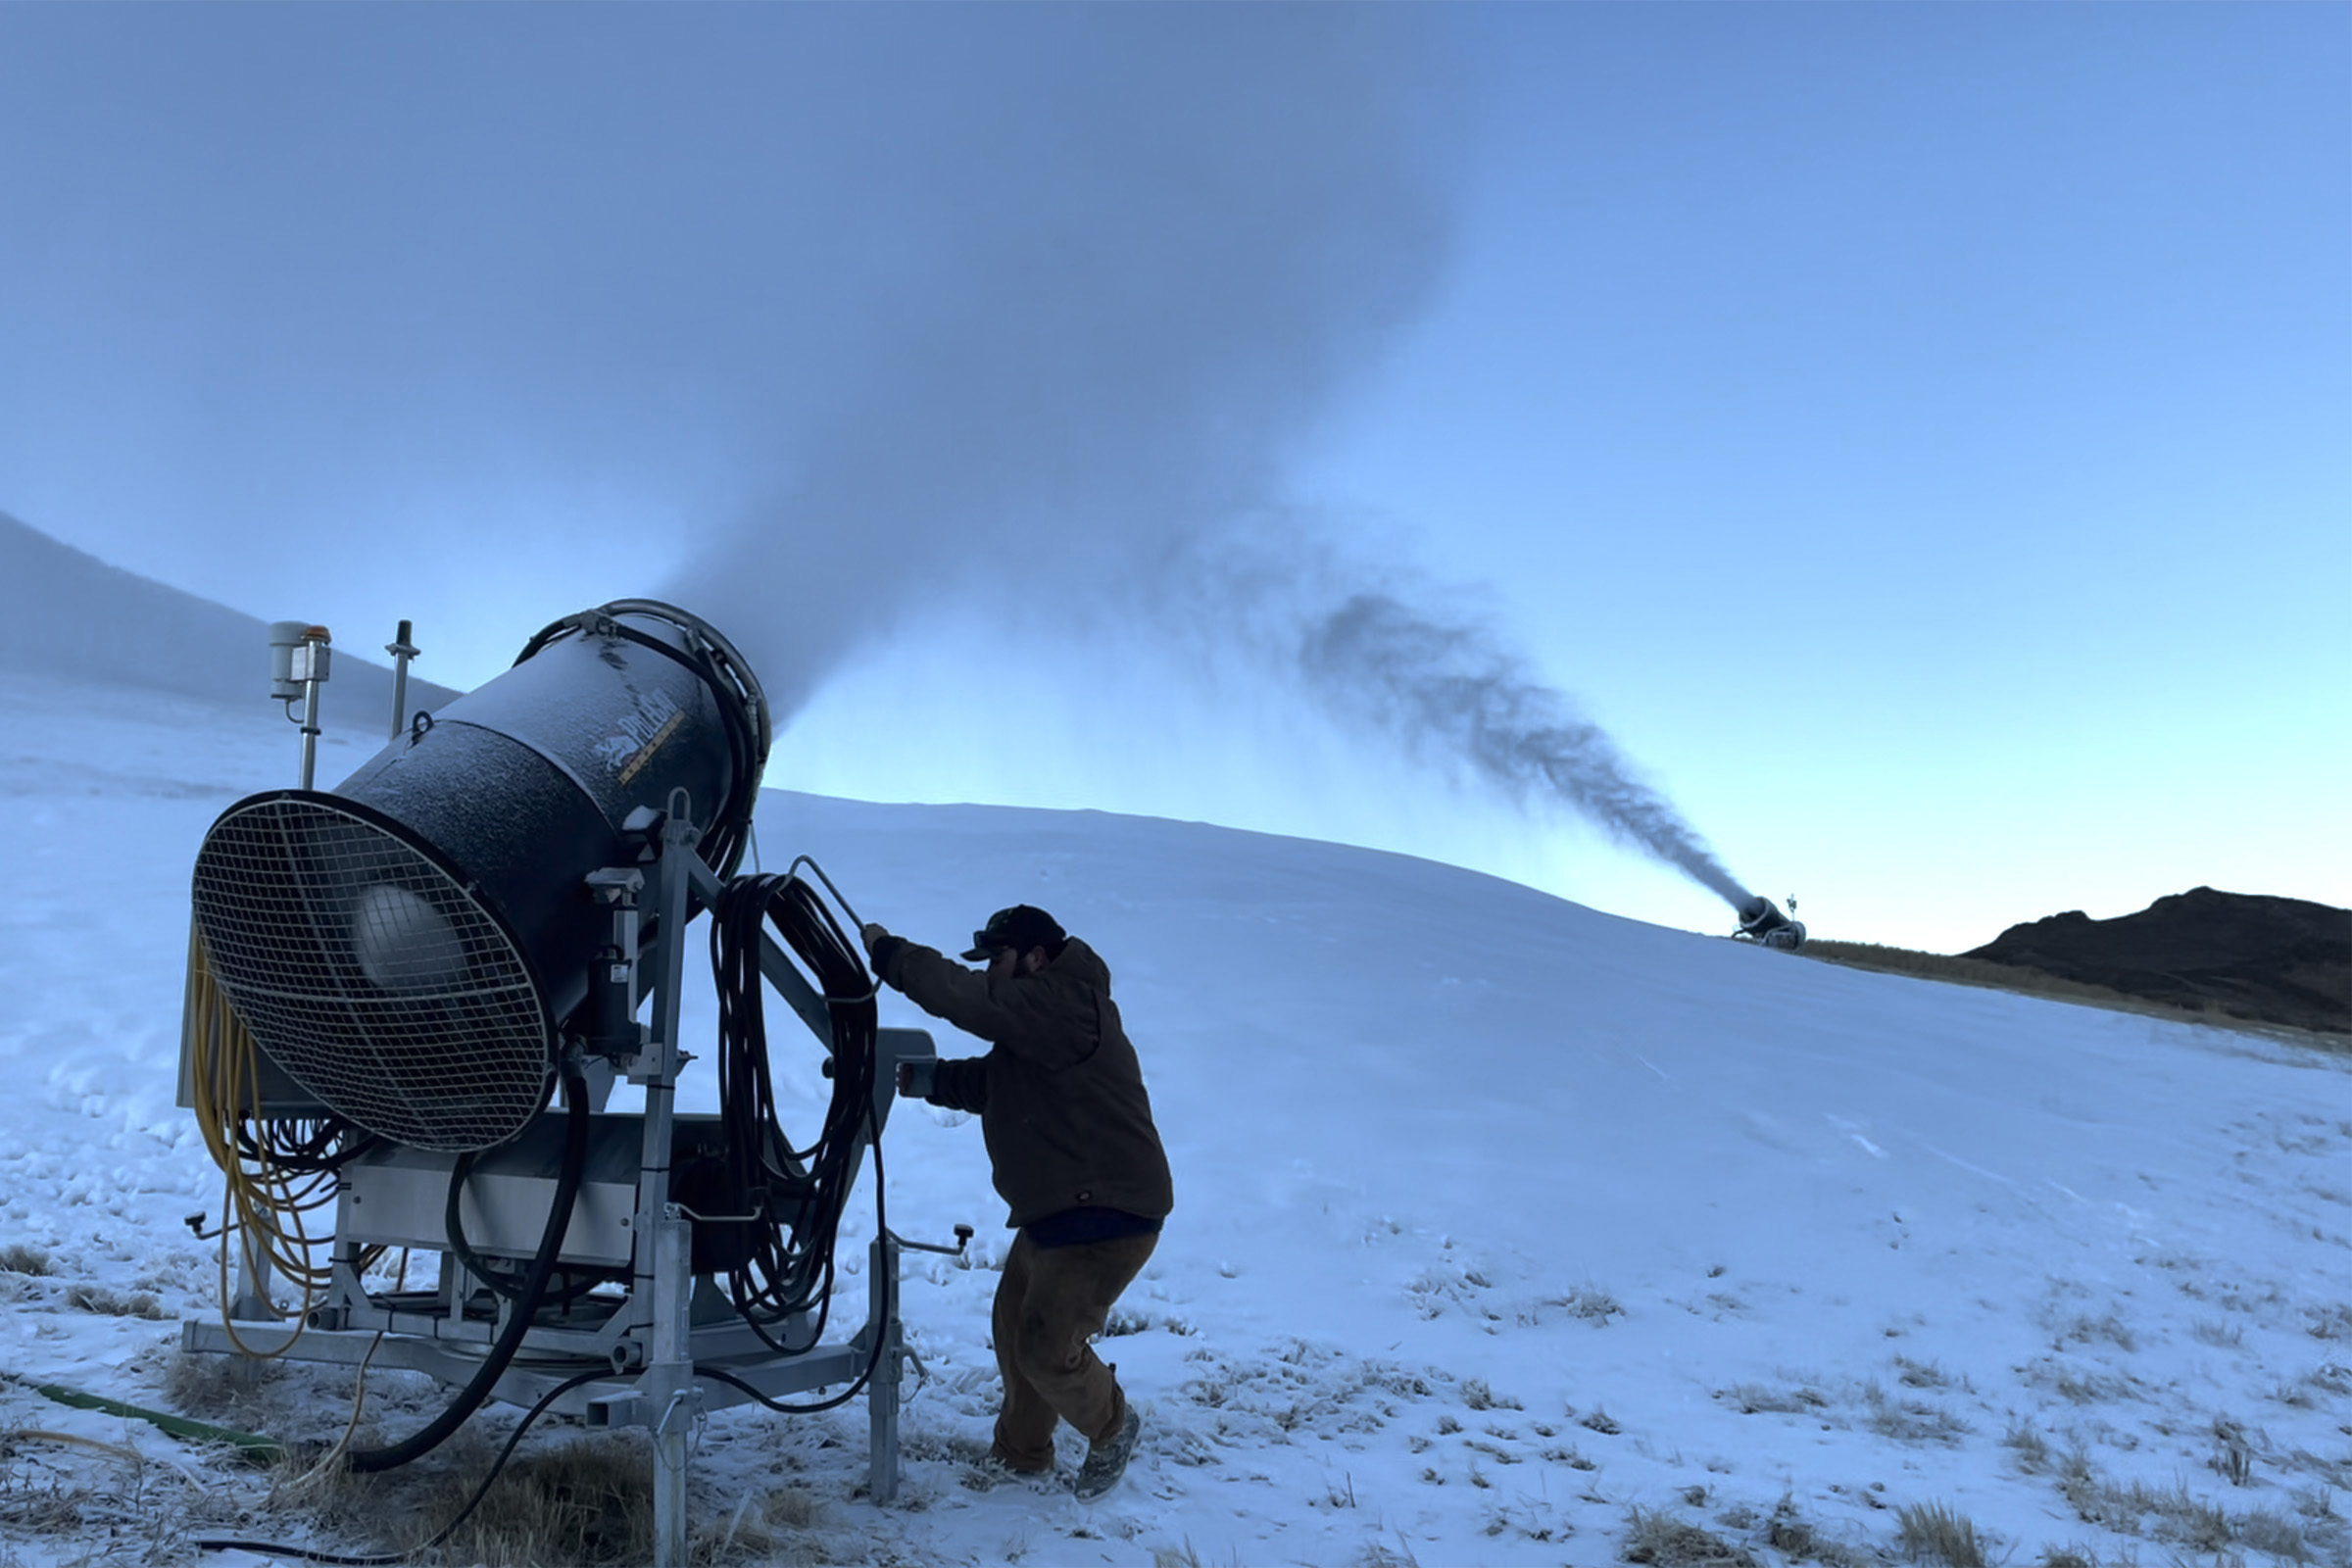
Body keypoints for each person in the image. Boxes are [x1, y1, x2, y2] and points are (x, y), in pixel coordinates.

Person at [859, 904, 1174, 1502]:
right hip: (1060, 1212)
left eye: (998, 961)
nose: (992, 976)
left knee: (1046, 1347)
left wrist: (891, 956)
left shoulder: (1064, 1002)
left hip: (1106, 1214)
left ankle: (1112, 1425)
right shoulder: (1044, 1024)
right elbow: (998, 1085)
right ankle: (1022, 1456)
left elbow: (969, 999)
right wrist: (934, 1082)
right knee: (1014, 1330)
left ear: (1035, 957)